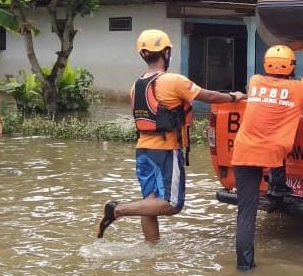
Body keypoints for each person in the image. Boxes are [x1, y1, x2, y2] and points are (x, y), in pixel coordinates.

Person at [97, 29, 245, 241]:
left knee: (149, 202)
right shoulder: (174, 81)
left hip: (143, 149)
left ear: (143, 55)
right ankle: (117, 210)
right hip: (166, 150)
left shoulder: (135, 86)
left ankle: (152, 252)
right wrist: (233, 96)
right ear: (166, 52)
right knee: (171, 204)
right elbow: (208, 96)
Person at [231, 45, 303, 270]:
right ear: (292, 66)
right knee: (275, 170)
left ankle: (245, 266)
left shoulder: (255, 81)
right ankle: (278, 188)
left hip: (243, 151)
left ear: (266, 64)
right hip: (273, 153)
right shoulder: (299, 89)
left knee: (246, 214)